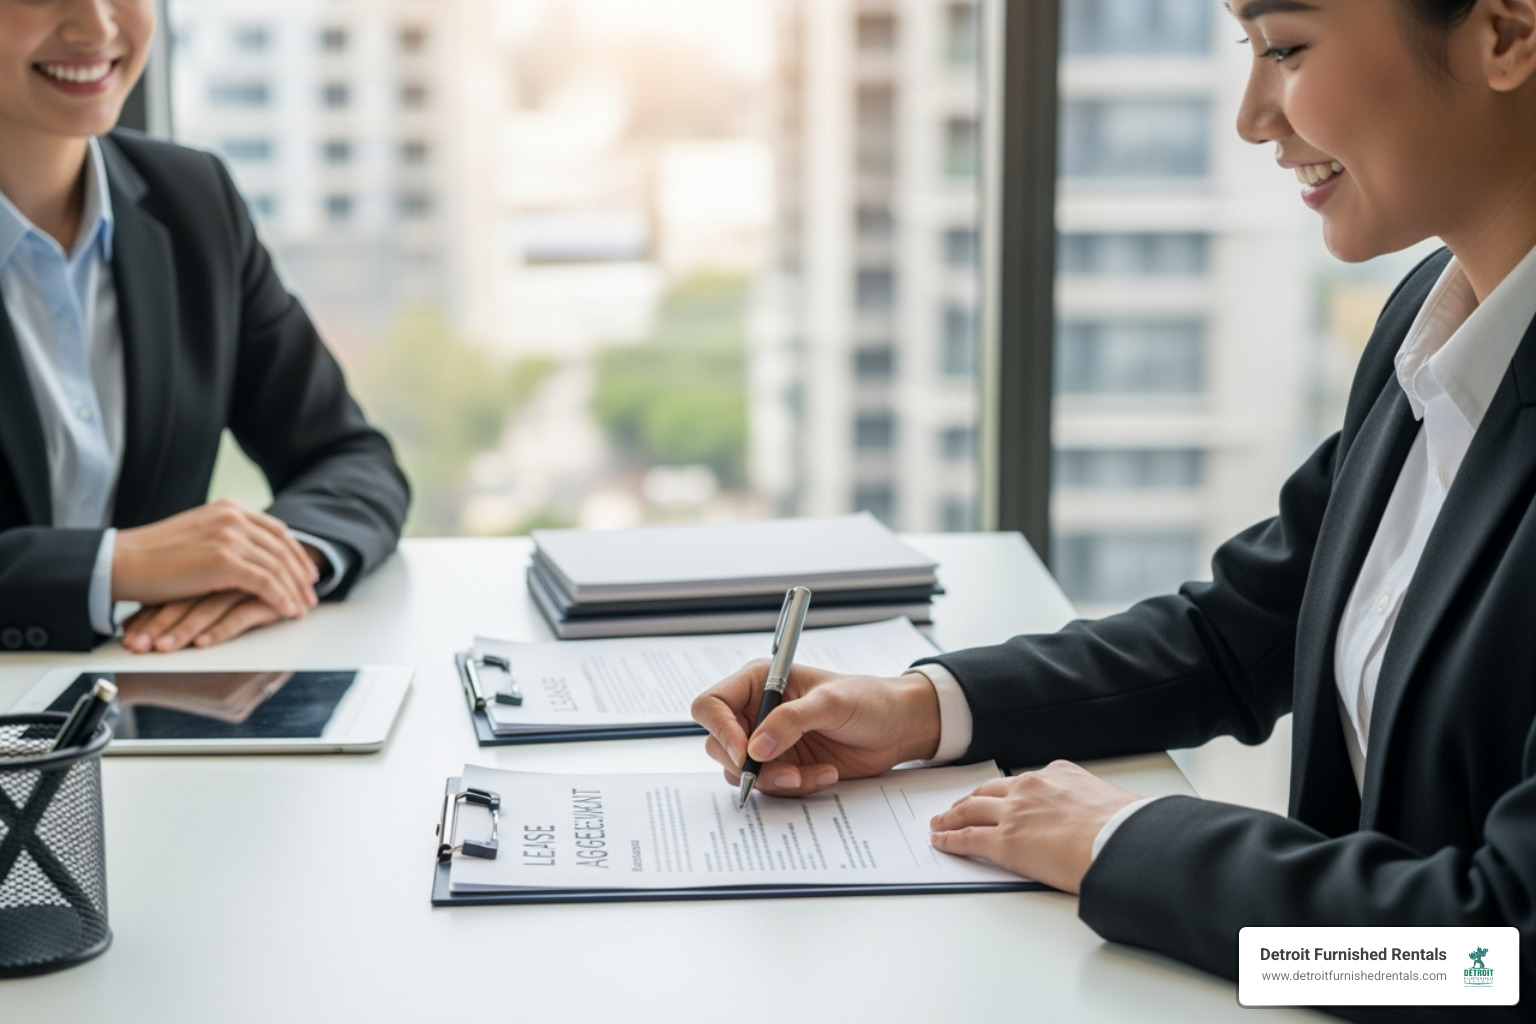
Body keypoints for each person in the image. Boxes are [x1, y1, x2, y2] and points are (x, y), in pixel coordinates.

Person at [692, 0, 1536, 1018]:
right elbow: (1237, 638)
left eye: (1286, 50)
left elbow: (1498, 961)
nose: (1252, 117)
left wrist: (1121, 845)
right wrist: (919, 711)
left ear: (1505, 34)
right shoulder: (1437, 323)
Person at [0, 0, 409, 654]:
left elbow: (349, 458)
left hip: (157, 701)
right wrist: (119, 566)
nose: (96, 26)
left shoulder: (193, 200)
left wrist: (273, 560)